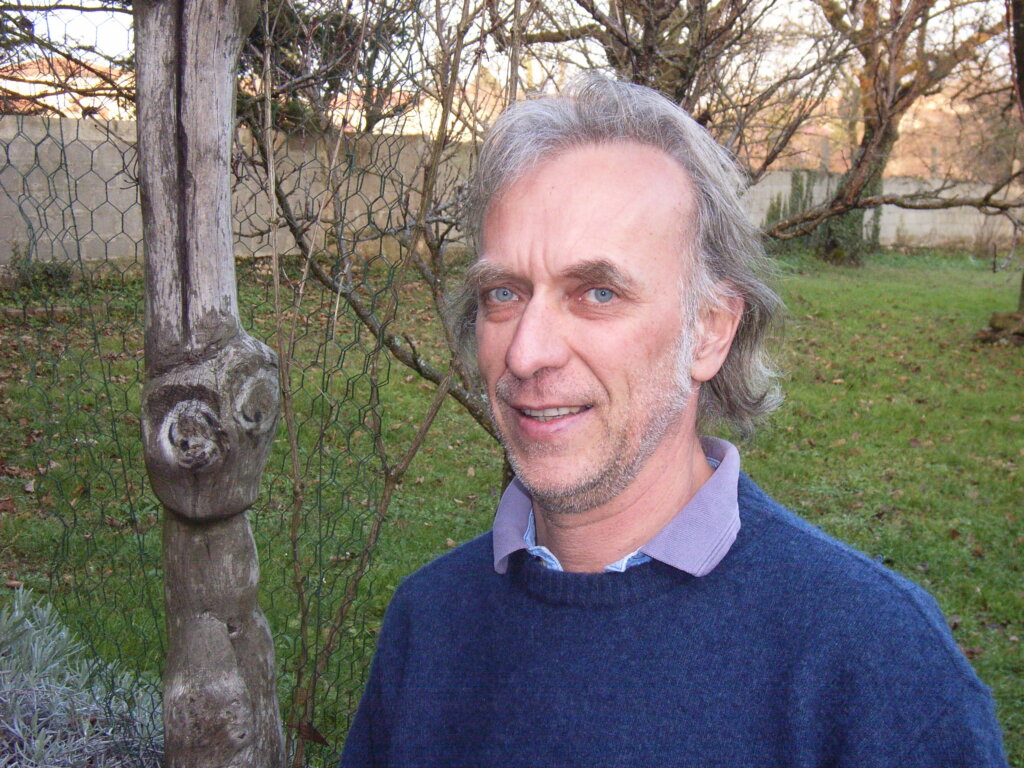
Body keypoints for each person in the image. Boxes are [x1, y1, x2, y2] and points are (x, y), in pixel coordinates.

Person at [340, 75, 1008, 767]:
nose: (527, 351)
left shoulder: (873, 663)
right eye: (503, 293)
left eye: (598, 292)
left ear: (711, 331)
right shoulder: (429, 621)